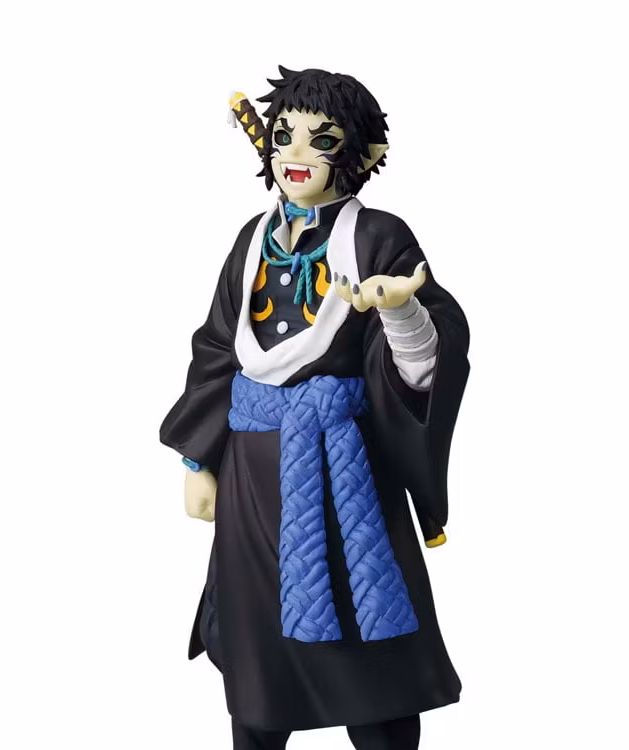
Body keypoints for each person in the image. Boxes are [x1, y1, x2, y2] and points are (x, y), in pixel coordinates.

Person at [160, 66, 471, 750]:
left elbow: (425, 366)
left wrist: (401, 312)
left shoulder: (378, 236)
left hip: (346, 469)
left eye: (321, 140)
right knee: (257, 641)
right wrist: (198, 458)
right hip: (251, 475)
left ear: (360, 155)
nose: (296, 154)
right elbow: (217, 346)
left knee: (370, 644)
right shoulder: (252, 240)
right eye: (284, 137)